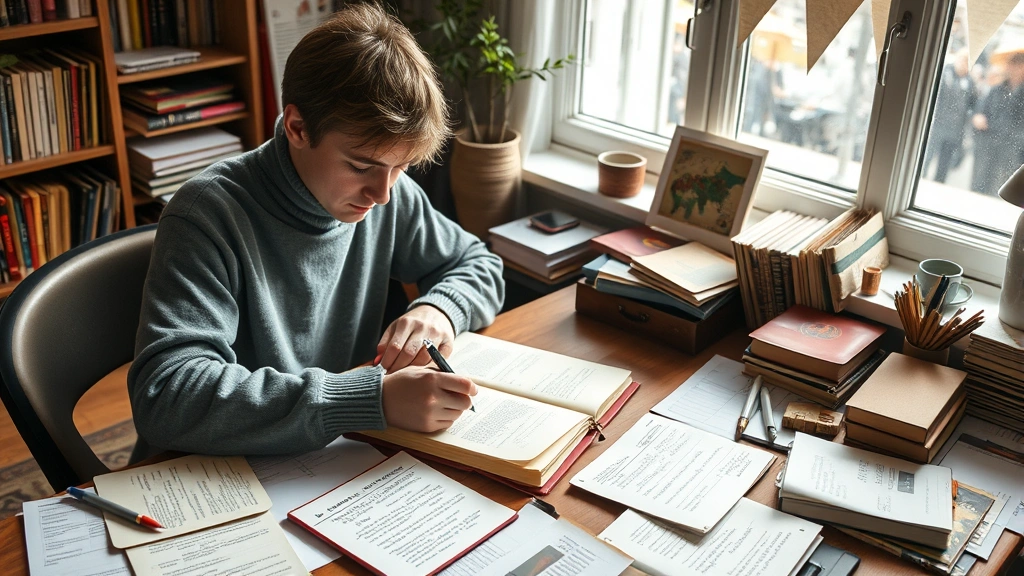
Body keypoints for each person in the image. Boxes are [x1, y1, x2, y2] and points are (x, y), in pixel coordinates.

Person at [127, 3, 504, 458]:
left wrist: (440, 310)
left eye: (401, 167)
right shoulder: (208, 214)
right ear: (298, 127)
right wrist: (366, 399)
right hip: (211, 472)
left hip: (326, 457)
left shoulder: (389, 194)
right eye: (360, 165)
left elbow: (479, 264)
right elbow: (167, 395)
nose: (382, 194)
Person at [971, 52, 1024, 195]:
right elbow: (981, 109)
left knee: (1001, 187)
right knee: (979, 183)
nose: (1011, 68)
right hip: (988, 142)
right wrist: (978, 117)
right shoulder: (997, 89)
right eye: (1010, 64)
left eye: (1017, 65)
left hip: (1011, 149)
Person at [925, 49, 975, 183]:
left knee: (944, 163)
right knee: (926, 157)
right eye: (963, 61)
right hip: (937, 124)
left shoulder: (969, 82)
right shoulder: (944, 74)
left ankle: (938, 183)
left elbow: (970, 106)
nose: (964, 65)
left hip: (954, 129)